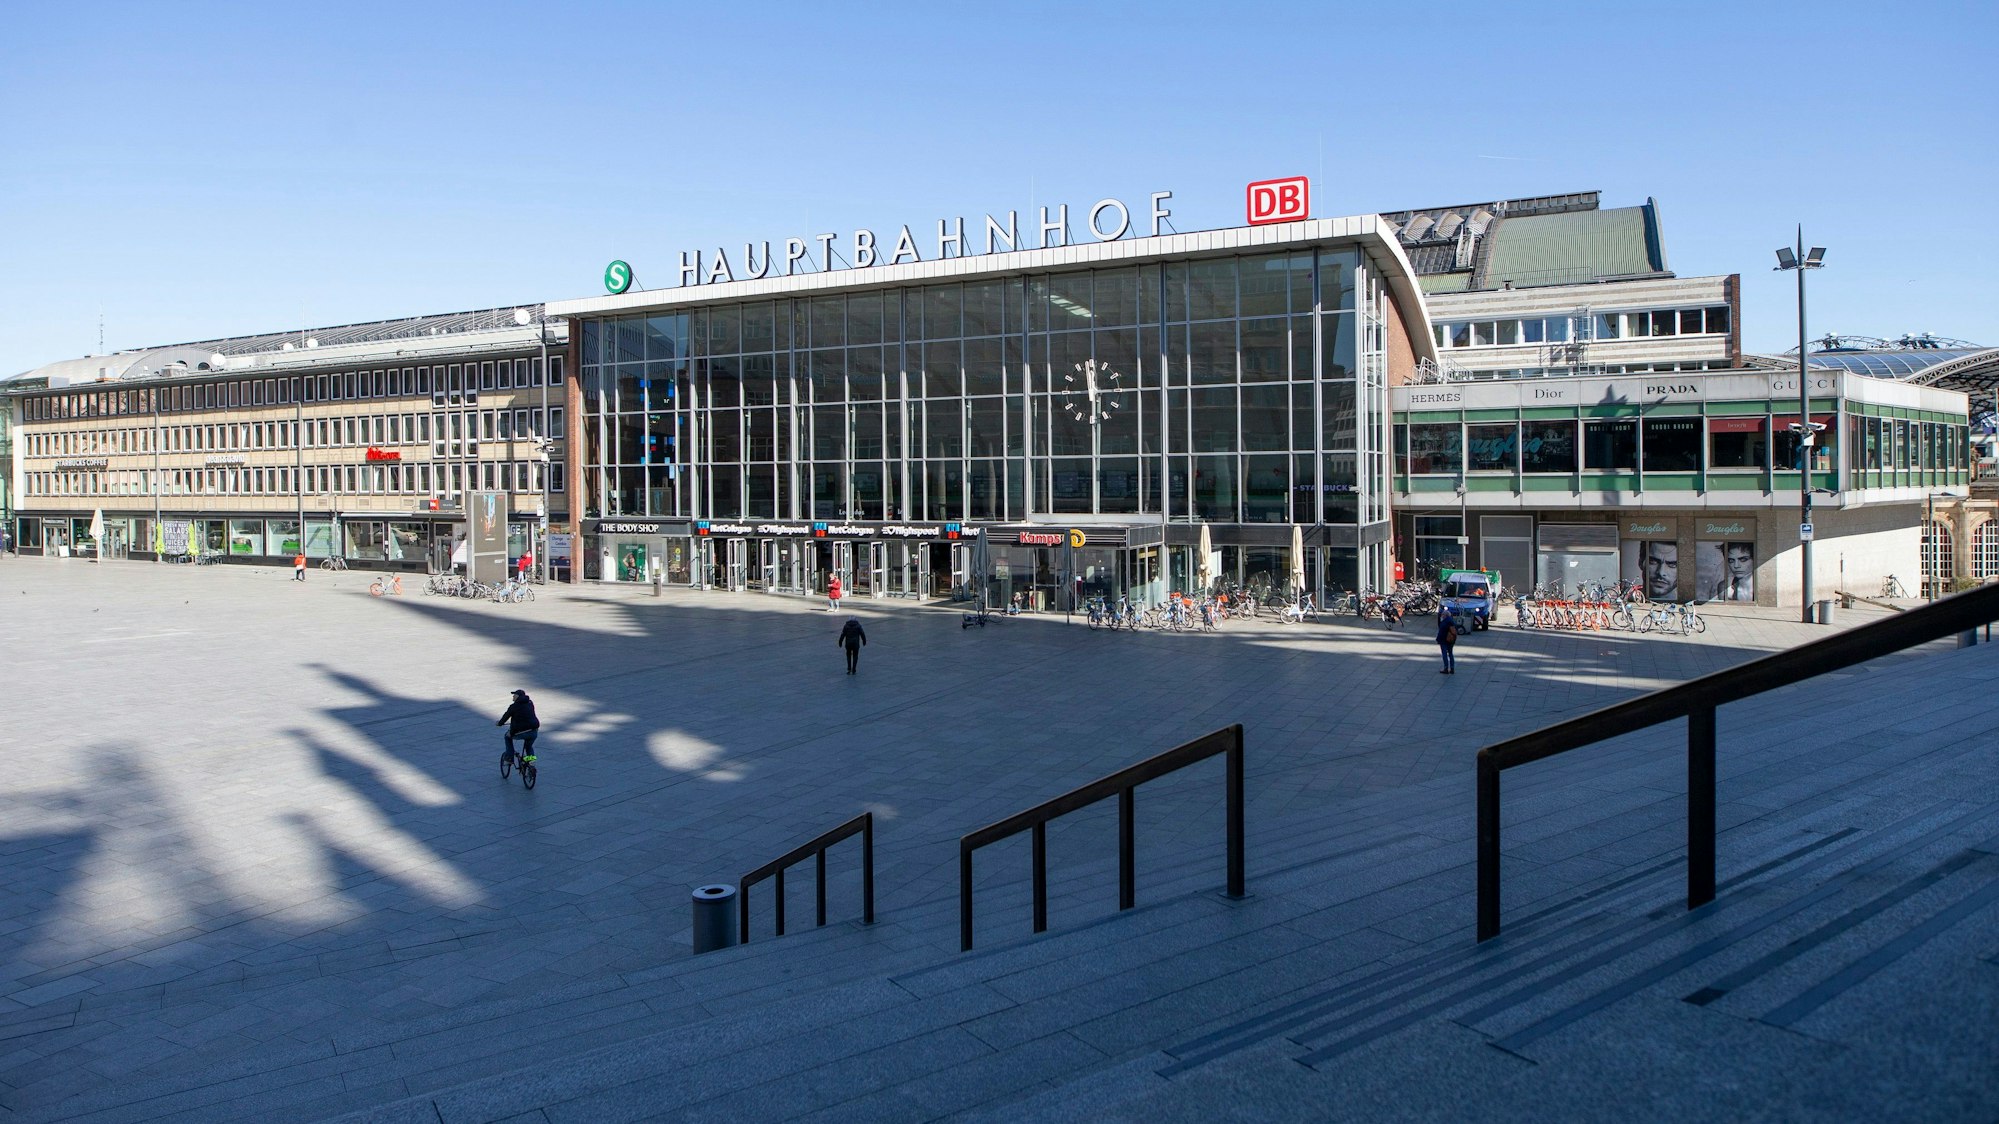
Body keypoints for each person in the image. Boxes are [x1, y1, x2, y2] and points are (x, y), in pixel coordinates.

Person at [496, 689, 540, 767]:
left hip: (521, 732)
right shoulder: (530, 703)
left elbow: (506, 716)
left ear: (518, 696)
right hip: (533, 731)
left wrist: (499, 723)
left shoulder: (514, 706)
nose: (513, 696)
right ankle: (531, 760)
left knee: (507, 737)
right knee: (528, 746)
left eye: (514, 695)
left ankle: (509, 758)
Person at [1437, 606, 1459, 675]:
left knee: (1444, 654)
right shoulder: (1452, 621)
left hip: (1444, 641)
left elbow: (1441, 632)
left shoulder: (1444, 623)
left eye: (1442, 615)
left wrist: (1438, 640)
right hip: (1451, 641)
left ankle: (1446, 668)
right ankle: (1452, 668)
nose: (1441, 616)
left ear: (1445, 615)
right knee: (1450, 654)